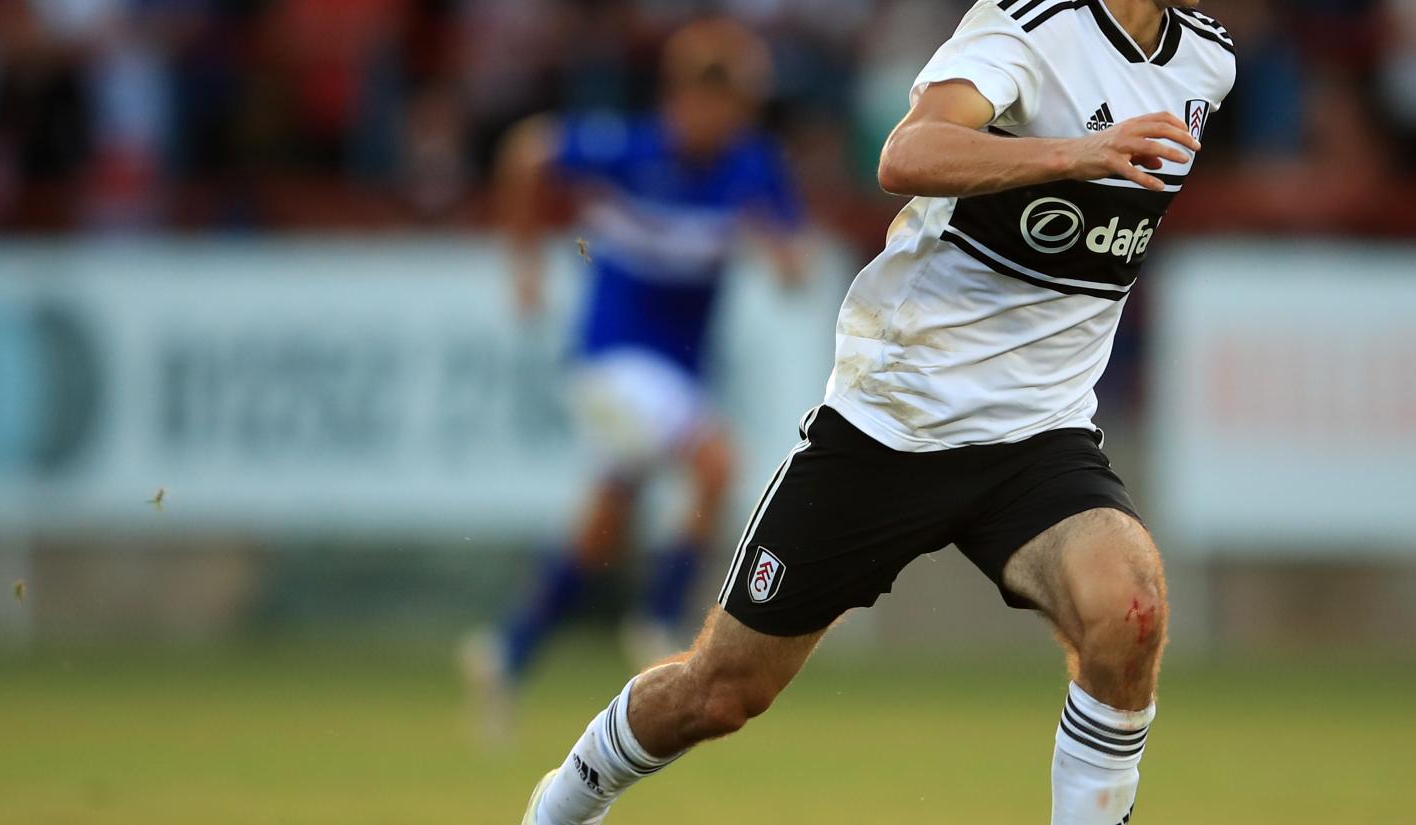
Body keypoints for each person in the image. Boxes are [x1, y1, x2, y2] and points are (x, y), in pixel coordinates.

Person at [519, 0, 1234, 822]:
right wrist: (1077, 153)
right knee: (721, 691)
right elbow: (907, 152)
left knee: (1129, 607)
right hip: (894, 421)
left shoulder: (1208, 62)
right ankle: (566, 800)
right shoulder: (1029, 25)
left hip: (1039, 433)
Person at [463, 17, 806, 737]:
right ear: (675, 96)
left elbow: (790, 250)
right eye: (702, 95)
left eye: (728, 99)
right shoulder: (629, 149)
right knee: (718, 464)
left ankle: (505, 651)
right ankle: (657, 622)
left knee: (603, 524)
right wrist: (522, 263)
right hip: (611, 364)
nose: (713, 114)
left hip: (676, 375)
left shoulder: (749, 165)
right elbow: (526, 151)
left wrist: (782, 256)